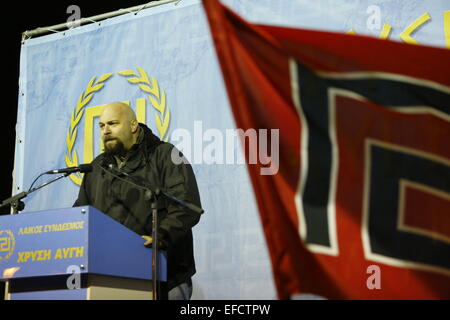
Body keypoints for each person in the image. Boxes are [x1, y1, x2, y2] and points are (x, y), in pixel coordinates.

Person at [73, 102, 203, 300]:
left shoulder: (167, 154)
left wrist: (160, 235)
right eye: (101, 126)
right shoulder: (97, 167)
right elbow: (81, 214)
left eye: (113, 124)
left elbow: (186, 206)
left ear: (133, 125)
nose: (106, 131)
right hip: (111, 278)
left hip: (166, 277)